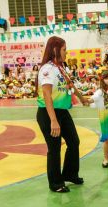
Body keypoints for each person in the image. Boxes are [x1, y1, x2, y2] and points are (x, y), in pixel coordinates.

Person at [36, 36, 88, 193]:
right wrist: (53, 120)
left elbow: (70, 85)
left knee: (74, 141)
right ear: (55, 50)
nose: (67, 52)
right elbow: (46, 95)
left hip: (63, 112)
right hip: (48, 113)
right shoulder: (47, 69)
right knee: (54, 148)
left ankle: (70, 174)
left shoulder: (60, 68)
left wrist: (82, 98)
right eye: (64, 49)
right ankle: (55, 183)